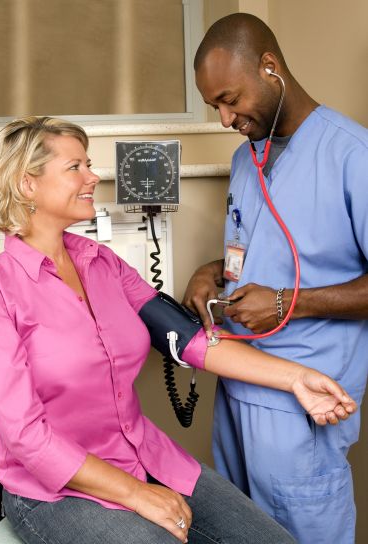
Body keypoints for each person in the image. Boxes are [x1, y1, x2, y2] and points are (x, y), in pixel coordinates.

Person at [0, 117, 357, 544]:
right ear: (28, 185)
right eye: (75, 167)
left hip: (144, 455)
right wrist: (137, 494)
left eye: (89, 164)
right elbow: (26, 436)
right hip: (54, 490)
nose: (93, 176)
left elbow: (190, 340)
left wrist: (295, 377)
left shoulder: (101, 262)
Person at [183, 12, 368, 544]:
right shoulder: (248, 160)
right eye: (215, 106)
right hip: (237, 386)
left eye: (230, 99)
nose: (223, 118)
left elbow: (286, 286)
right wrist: (209, 271)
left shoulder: (351, 156)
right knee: (241, 532)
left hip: (303, 402)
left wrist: (287, 302)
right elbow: (262, 252)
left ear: (270, 68)